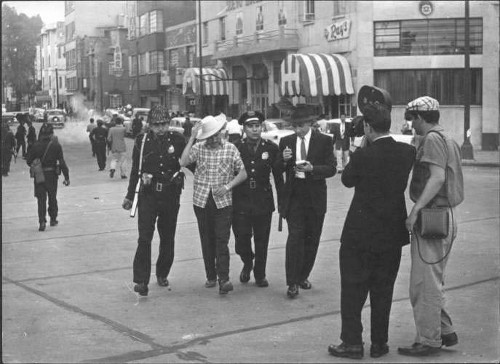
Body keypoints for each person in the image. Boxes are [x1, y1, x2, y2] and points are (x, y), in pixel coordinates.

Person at [328, 87, 416, 360]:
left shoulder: (363, 155)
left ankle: (352, 343)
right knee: (383, 291)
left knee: (353, 291)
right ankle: (380, 344)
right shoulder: (406, 153)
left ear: (367, 126)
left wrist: (363, 144)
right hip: (391, 235)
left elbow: (347, 180)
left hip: (359, 235)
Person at [398, 96, 464, 357]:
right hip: (445, 216)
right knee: (431, 281)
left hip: (433, 217)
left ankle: (429, 340)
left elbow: (437, 178)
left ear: (420, 118)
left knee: (423, 284)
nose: (411, 125)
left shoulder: (433, 140)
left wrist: (414, 212)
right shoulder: (447, 137)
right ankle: (445, 330)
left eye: (412, 119)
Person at [122, 105, 187, 297]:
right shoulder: (141, 141)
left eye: (164, 124)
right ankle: (141, 280)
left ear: (168, 123)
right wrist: (129, 195)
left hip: (170, 195)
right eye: (157, 124)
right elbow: (136, 170)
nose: (161, 128)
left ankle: (162, 272)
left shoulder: (177, 139)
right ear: (150, 125)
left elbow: (188, 161)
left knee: (167, 237)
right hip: (148, 195)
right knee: (144, 238)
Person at [180, 114, 247, 294]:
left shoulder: (231, 148)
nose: (214, 139)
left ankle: (223, 278)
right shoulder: (199, 148)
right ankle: (210, 275)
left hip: (223, 201)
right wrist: (192, 137)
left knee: (221, 239)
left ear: (222, 132)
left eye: (216, 134)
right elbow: (183, 161)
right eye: (210, 136)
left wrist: (228, 186)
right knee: (207, 238)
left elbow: (243, 173)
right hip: (202, 201)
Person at [274, 105, 336, 298]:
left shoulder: (324, 141)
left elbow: (332, 168)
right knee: (295, 238)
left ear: (310, 123)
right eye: (295, 126)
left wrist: (313, 169)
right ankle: (292, 282)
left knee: (312, 239)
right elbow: (276, 169)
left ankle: (303, 276)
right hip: (294, 196)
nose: (298, 130)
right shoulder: (286, 141)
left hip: (315, 196)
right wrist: (283, 161)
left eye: (301, 126)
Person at [232, 111, 284, 287]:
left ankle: (259, 273)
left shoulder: (271, 148)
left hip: (263, 200)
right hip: (241, 200)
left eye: (257, 126)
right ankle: (247, 262)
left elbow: (278, 176)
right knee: (241, 241)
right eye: (250, 126)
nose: (255, 130)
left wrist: (282, 201)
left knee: (262, 241)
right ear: (244, 128)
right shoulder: (235, 147)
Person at [26, 123, 70, 231]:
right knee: (52, 197)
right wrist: (66, 176)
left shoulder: (35, 145)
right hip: (52, 175)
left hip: (39, 174)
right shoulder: (56, 145)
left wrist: (37, 163)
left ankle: (42, 222)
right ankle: (53, 219)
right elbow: (62, 162)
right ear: (51, 133)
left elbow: (28, 161)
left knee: (41, 199)